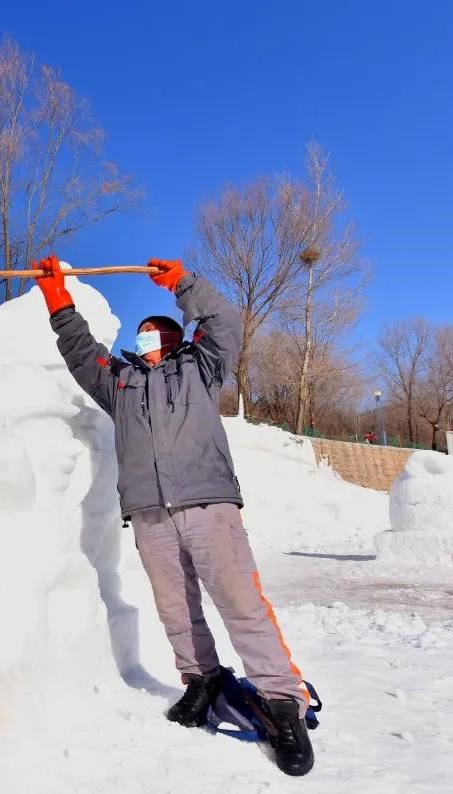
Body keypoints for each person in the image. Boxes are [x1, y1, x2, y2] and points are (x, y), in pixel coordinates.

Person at [35, 254, 314, 777]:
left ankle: (282, 701)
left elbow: (223, 322)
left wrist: (184, 285)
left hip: (207, 502)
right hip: (149, 512)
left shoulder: (199, 368)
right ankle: (203, 680)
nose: (145, 338)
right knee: (175, 609)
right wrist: (59, 301)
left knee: (240, 602)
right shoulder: (118, 383)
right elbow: (80, 354)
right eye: (139, 334)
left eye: (153, 331)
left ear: (174, 337)